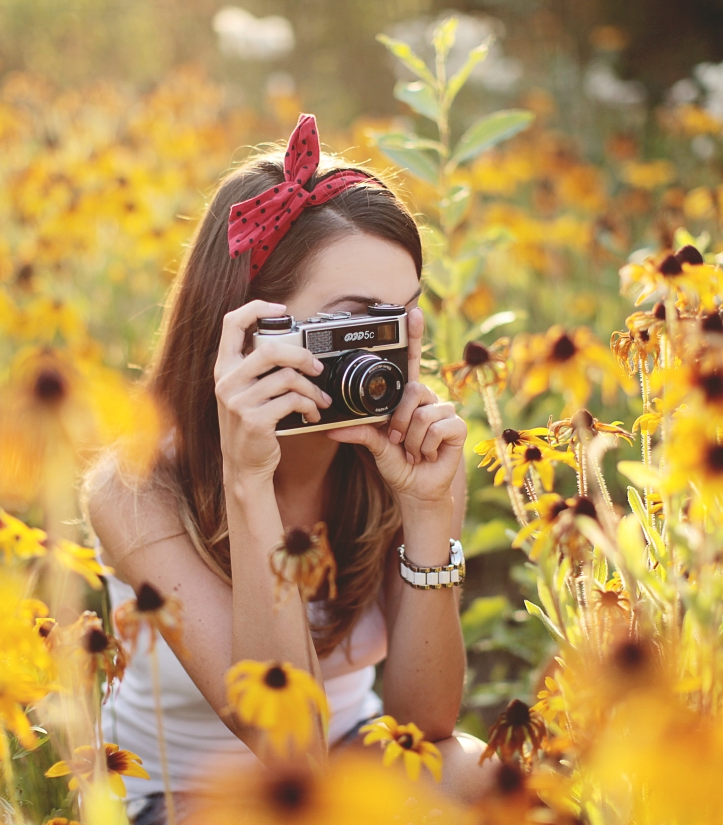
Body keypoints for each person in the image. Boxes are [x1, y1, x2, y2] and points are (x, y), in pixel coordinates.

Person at [86, 113, 491, 825]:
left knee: (483, 778)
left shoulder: (384, 456)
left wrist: (430, 517)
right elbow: (290, 748)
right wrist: (249, 484)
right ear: (251, 326)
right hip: (189, 798)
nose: (382, 360)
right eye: (356, 323)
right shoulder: (136, 486)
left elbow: (423, 724)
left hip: (351, 754)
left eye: (401, 321)